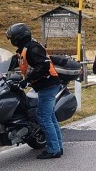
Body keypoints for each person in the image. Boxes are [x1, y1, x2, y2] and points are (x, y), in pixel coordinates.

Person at [6, 23, 63, 159]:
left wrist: (27, 80)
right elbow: (15, 62)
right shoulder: (24, 49)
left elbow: (43, 66)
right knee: (50, 117)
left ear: (18, 37)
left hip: (48, 85)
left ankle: (54, 150)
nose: (11, 40)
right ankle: (57, 147)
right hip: (47, 85)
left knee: (43, 117)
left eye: (12, 37)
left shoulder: (33, 48)